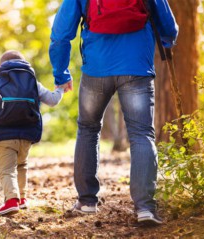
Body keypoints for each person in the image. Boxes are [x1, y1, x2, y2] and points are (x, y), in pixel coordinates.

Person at [49, 0, 178, 225]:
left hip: (96, 69)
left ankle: (87, 201)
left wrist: (61, 73)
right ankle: (145, 208)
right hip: (137, 67)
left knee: (88, 129)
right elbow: (169, 29)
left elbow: (60, 33)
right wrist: (166, 41)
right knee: (141, 134)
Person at [0, 50, 64, 215]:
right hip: (27, 133)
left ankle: (11, 200)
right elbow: (52, 100)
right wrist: (60, 89)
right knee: (22, 165)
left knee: (7, 169)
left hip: (3, 134)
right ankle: (21, 199)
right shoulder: (32, 81)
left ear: (1, 66)